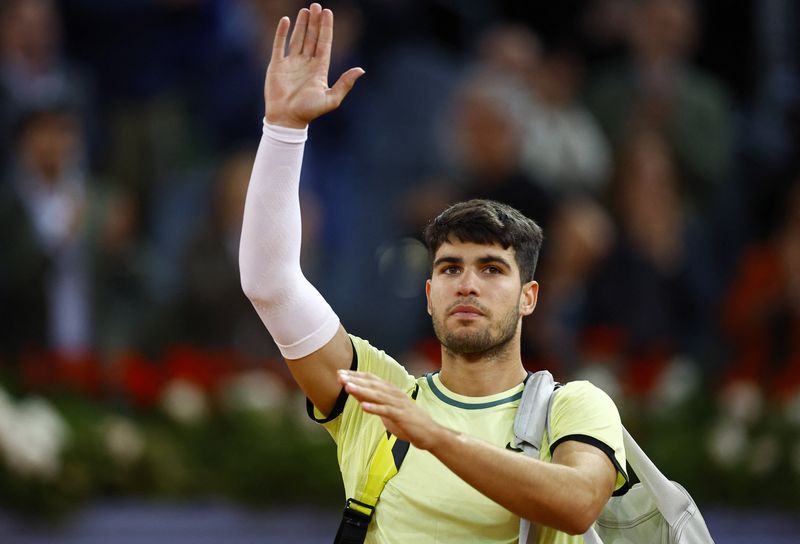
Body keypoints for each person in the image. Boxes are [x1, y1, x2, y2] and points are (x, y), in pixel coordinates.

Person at [239, 4, 629, 542]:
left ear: (529, 297)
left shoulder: (572, 404)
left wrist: (434, 436)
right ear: (428, 294)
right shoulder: (380, 397)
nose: (467, 283)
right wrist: (283, 129)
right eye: (450, 268)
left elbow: (579, 501)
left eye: (492, 269)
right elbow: (271, 283)